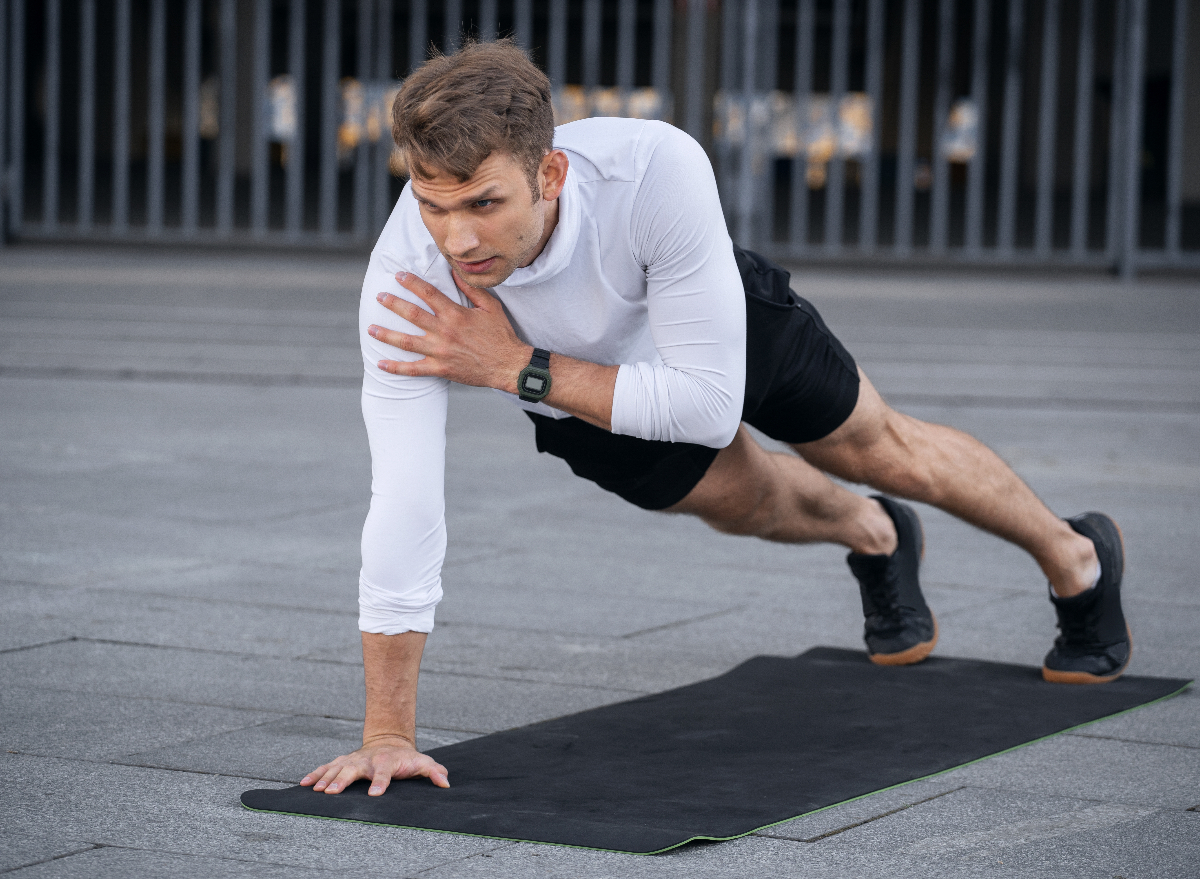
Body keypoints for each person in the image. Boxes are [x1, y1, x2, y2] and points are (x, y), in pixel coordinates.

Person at [300, 39, 1131, 798]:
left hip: (713, 327)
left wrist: (511, 365)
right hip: (576, 400)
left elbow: (705, 403)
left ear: (550, 174)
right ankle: (877, 535)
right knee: (760, 501)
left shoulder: (654, 166)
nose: (456, 239)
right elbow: (404, 499)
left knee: (881, 448)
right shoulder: (408, 280)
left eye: (483, 203)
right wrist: (386, 734)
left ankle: (1078, 555)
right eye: (431, 205)